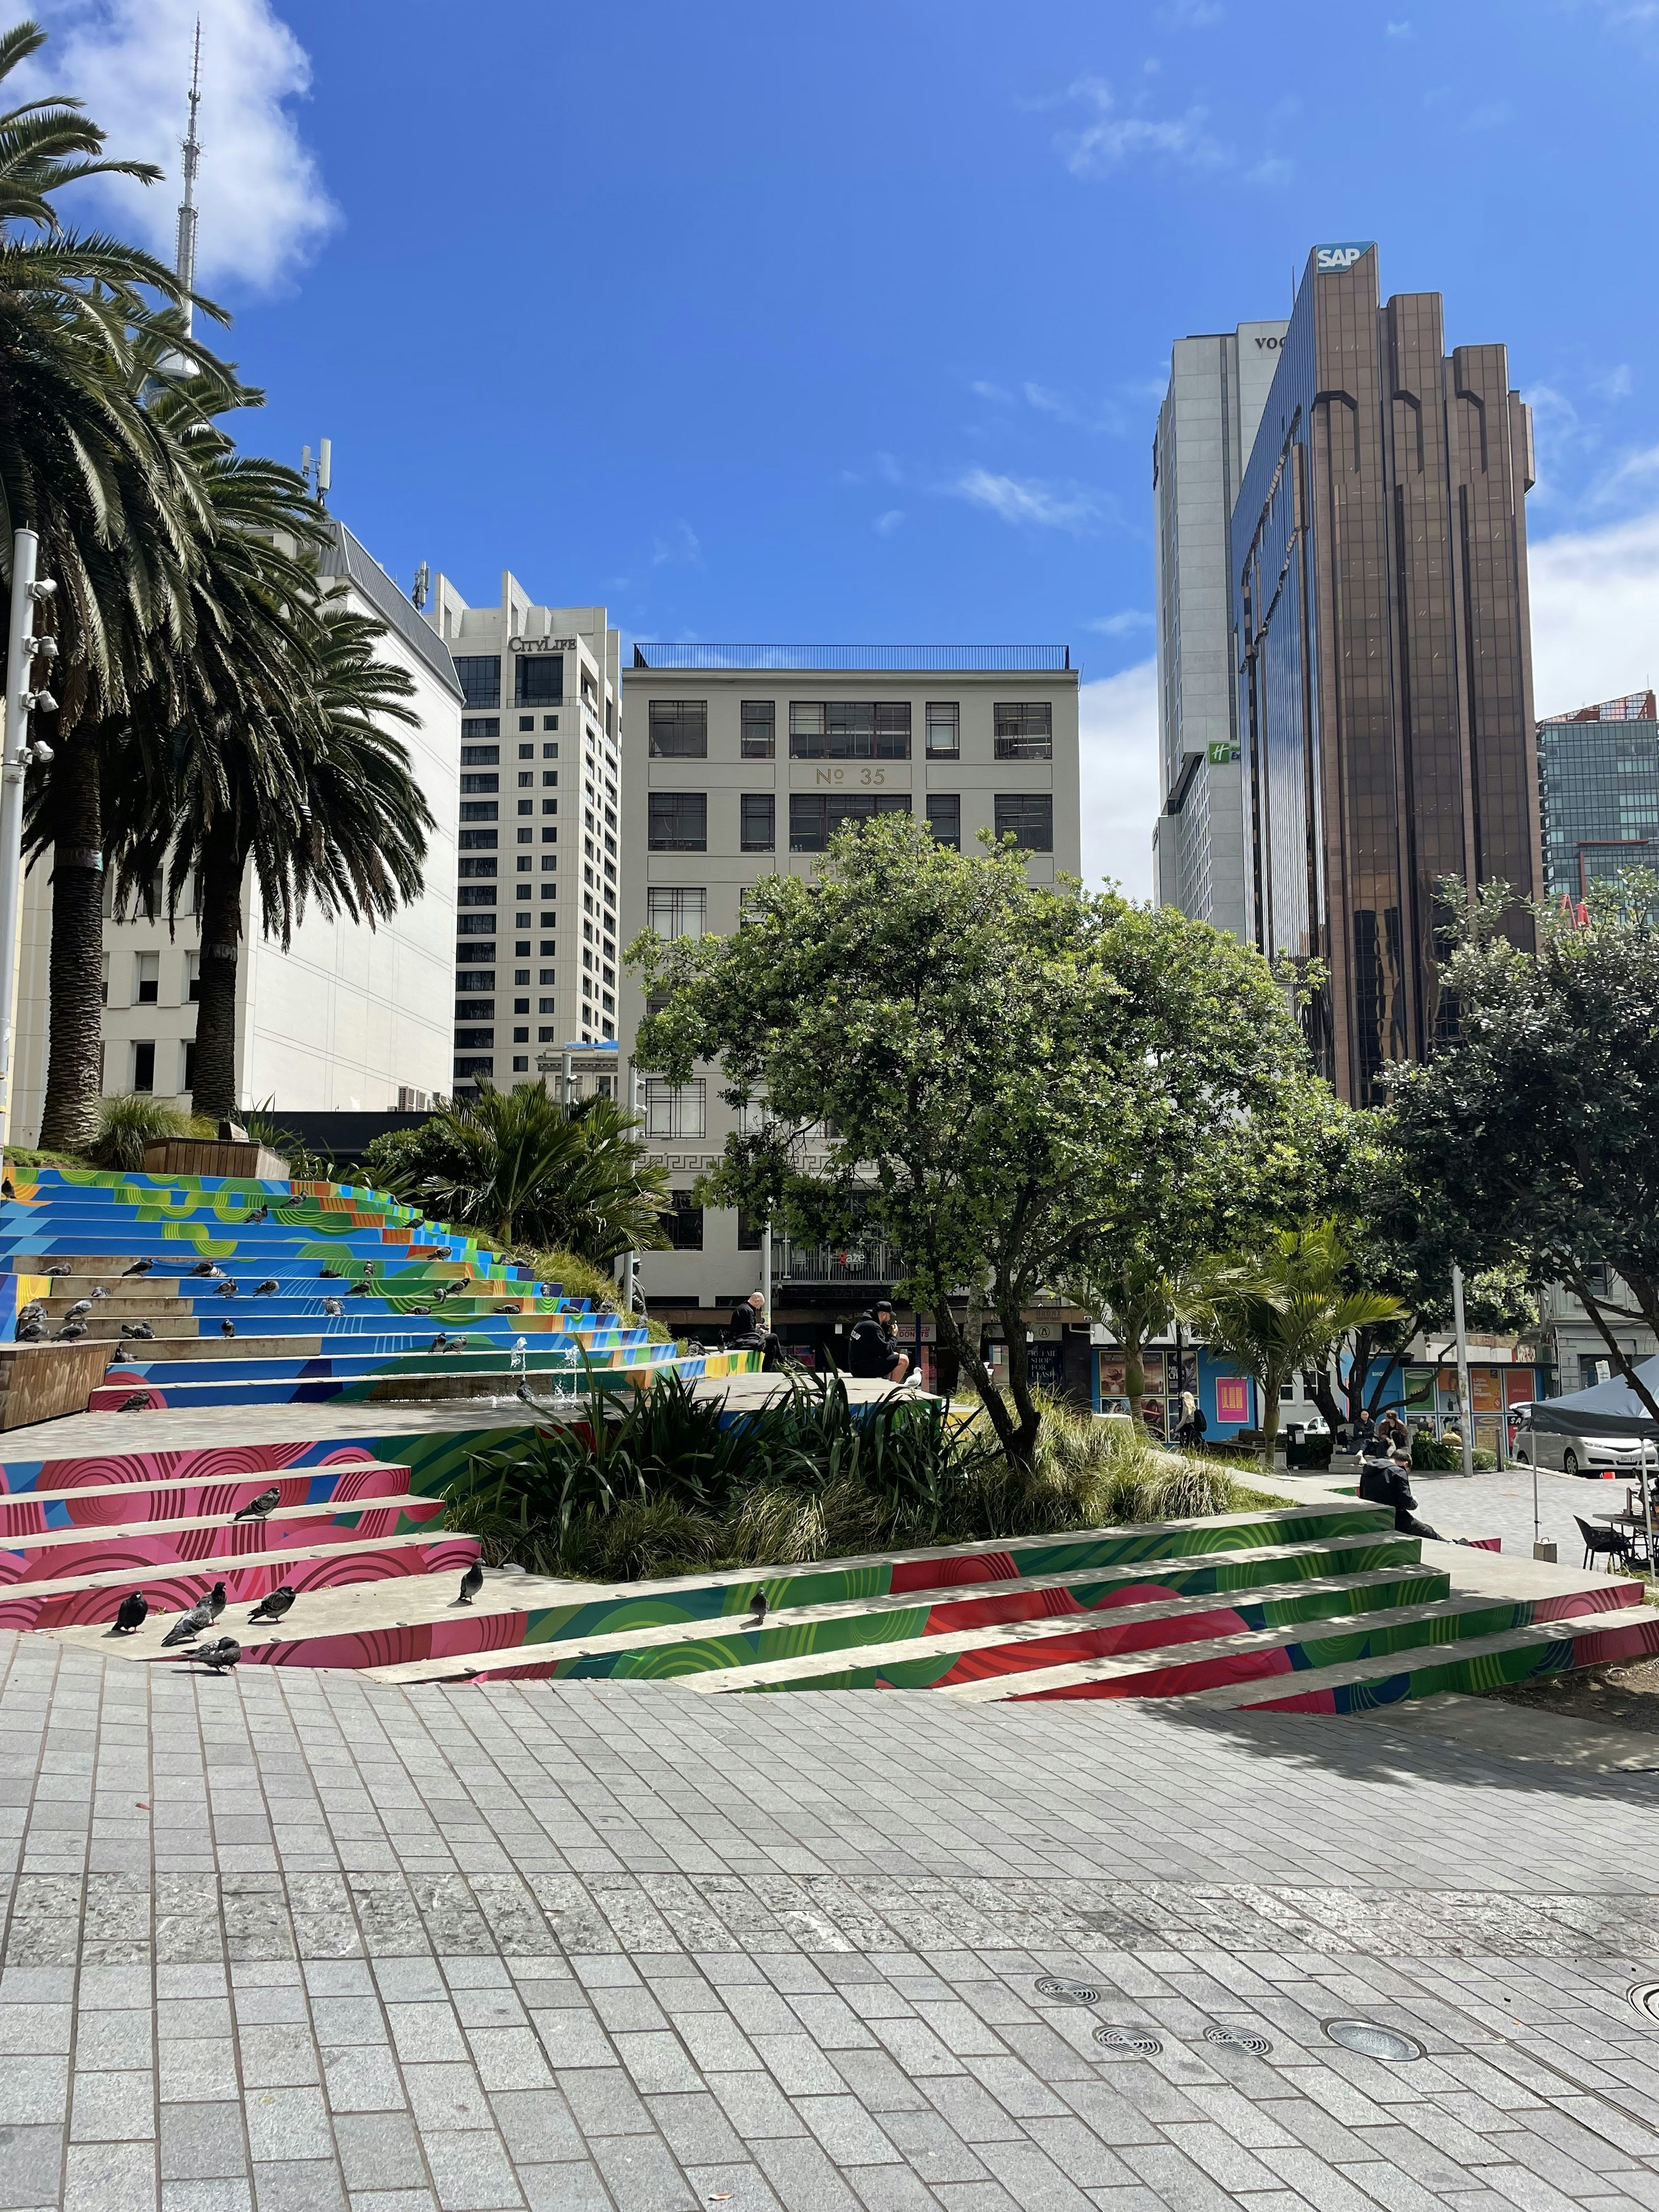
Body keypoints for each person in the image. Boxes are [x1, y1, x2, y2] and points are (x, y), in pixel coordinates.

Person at [1357, 1445, 1441, 1540]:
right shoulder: (1398, 1472)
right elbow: (1406, 1501)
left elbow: (1362, 1494)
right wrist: (1414, 1504)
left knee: (1425, 1528)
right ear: (1405, 1464)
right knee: (1429, 1531)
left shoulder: (1369, 1469)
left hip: (1371, 1515)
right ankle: (1450, 1544)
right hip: (1393, 1517)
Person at [845, 1299, 912, 1384]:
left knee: (894, 1355)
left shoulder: (865, 1323)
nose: (890, 1318)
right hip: (863, 1368)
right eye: (889, 1315)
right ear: (883, 1315)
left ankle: (889, 1384)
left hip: (857, 1367)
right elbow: (886, 1351)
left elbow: (879, 1348)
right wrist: (894, 1336)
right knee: (904, 1360)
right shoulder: (873, 1327)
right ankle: (893, 1388)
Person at [727, 1291, 783, 1372]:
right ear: (757, 1301)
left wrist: (756, 1326)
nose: (759, 1308)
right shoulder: (747, 1310)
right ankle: (782, 1361)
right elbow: (750, 1331)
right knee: (774, 1337)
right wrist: (761, 1331)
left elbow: (746, 1327)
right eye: (760, 1305)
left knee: (772, 1346)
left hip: (744, 1339)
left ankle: (768, 1369)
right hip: (742, 1341)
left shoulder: (744, 1308)